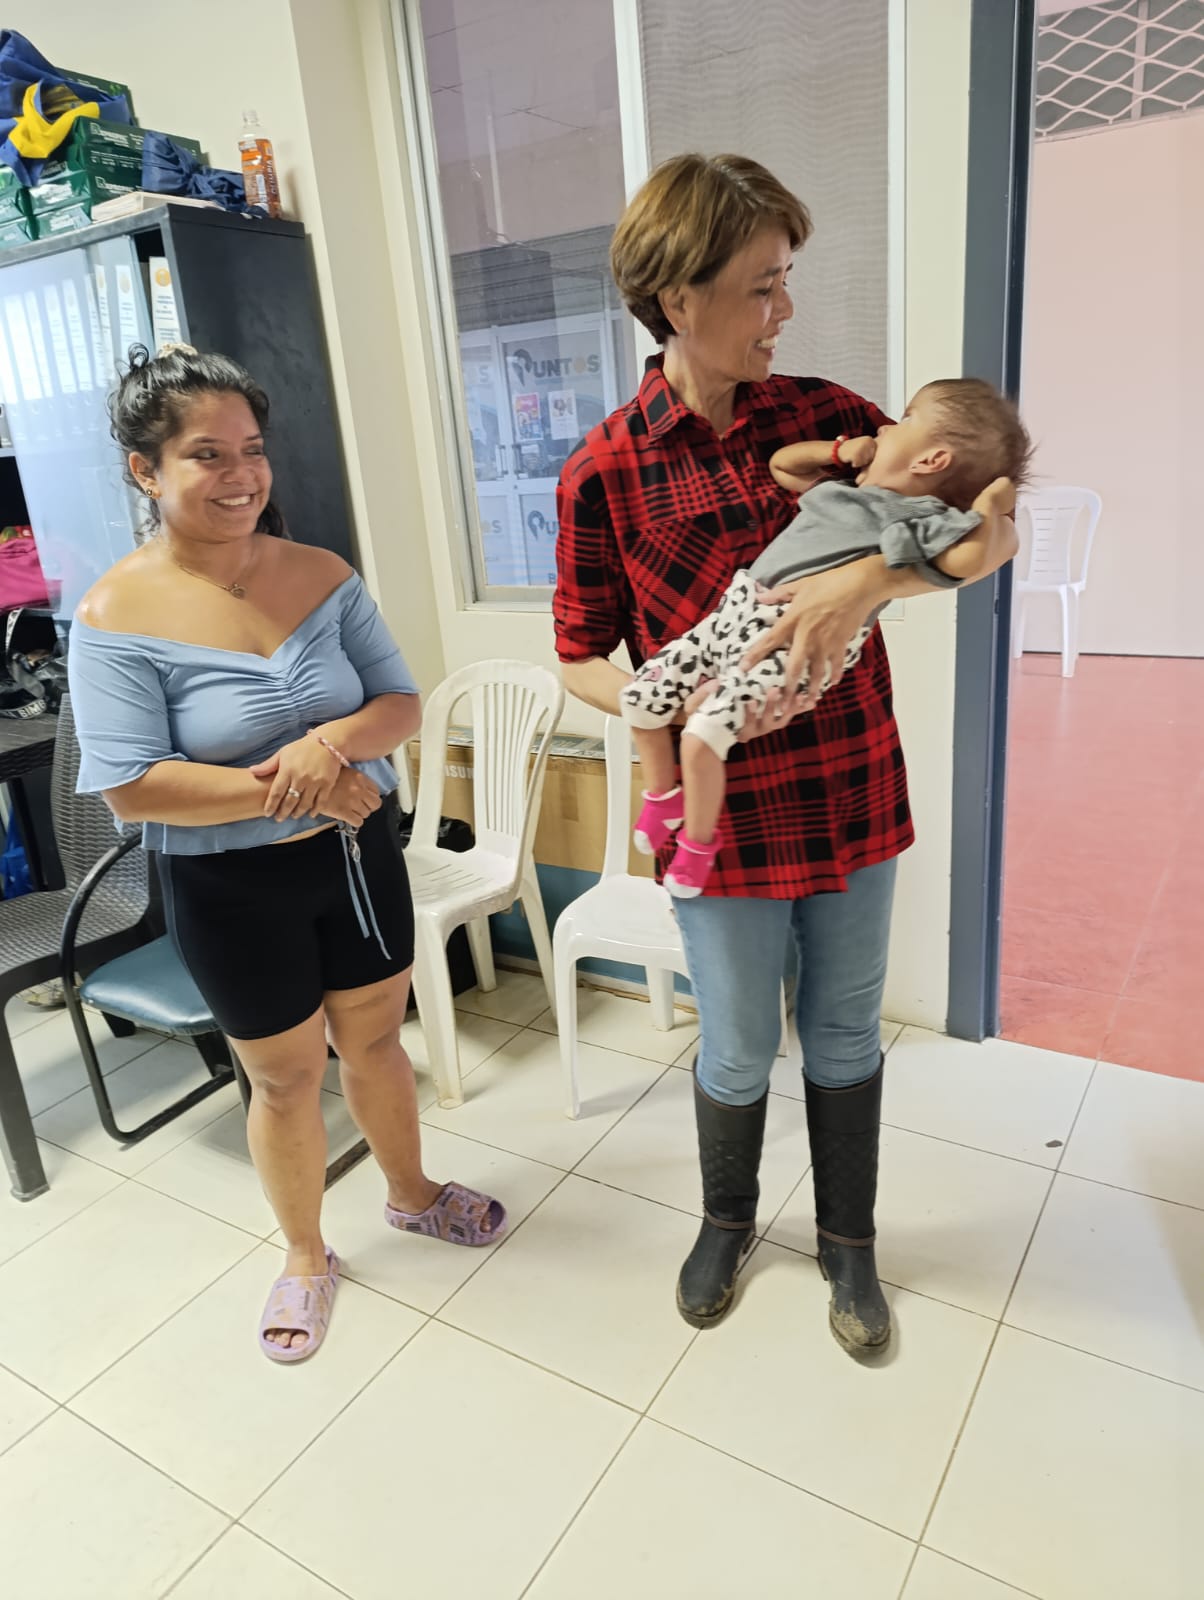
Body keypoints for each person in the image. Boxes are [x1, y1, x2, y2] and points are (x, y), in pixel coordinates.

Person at [552, 155, 1018, 1354]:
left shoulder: (826, 416)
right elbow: (578, 655)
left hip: (850, 780)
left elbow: (965, 529)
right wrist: (667, 713)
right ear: (677, 296)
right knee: (739, 1041)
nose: (784, 310)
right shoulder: (604, 468)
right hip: (720, 813)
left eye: (784, 279)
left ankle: (849, 1243)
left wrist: (864, 584)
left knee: (848, 1032)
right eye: (761, 286)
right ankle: (726, 1220)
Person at [68, 344, 506, 1365]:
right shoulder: (112, 615)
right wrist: (303, 783)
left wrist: (327, 747)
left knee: (377, 1042)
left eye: (252, 449)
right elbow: (134, 785)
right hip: (229, 884)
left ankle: (411, 1193)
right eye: (206, 455)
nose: (241, 475)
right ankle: (306, 1253)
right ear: (145, 470)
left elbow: (397, 702)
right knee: (282, 1077)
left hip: (354, 859)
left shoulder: (321, 573)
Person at [620, 380, 1029, 895]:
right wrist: (839, 451)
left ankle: (697, 846)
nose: (884, 427)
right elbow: (783, 466)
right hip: (733, 613)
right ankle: (663, 798)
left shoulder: (920, 519)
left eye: (905, 419)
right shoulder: (846, 491)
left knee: (705, 736)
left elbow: (972, 556)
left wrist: (989, 505)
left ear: (931, 460)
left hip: (792, 644)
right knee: (638, 698)